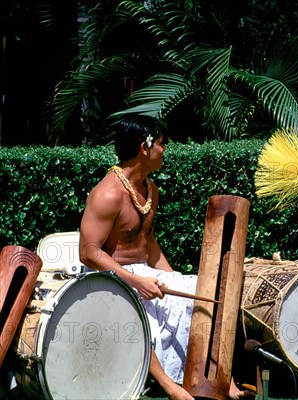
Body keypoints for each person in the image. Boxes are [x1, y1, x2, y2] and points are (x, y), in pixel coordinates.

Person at [79, 115, 251, 400]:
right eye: (161, 143)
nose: (165, 149)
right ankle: (171, 387)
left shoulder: (150, 190)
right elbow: (88, 253)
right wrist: (136, 280)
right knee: (132, 316)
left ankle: (221, 379)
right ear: (144, 147)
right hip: (109, 278)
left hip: (143, 272)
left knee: (195, 293)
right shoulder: (107, 193)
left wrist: (175, 284)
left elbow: (149, 243)